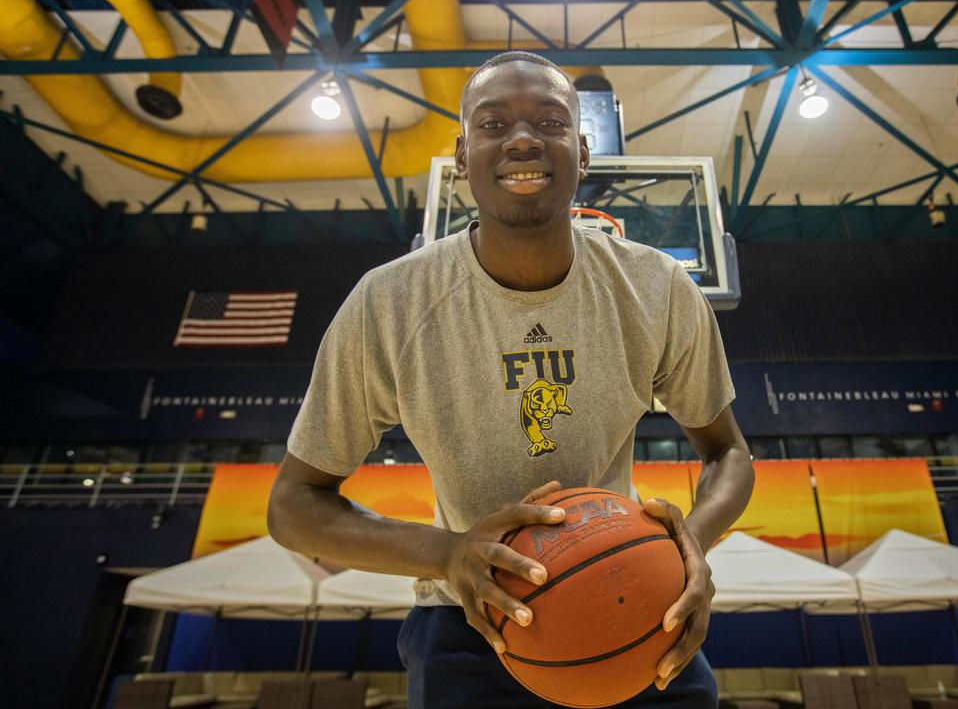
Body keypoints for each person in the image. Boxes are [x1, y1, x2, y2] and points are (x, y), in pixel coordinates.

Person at [267, 51, 754, 708]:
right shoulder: (388, 303)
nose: (523, 138)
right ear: (462, 157)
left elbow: (728, 453)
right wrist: (447, 553)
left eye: (549, 122)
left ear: (582, 153)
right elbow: (293, 503)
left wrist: (688, 541)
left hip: (627, 592)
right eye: (494, 124)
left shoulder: (655, 286)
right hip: (465, 618)